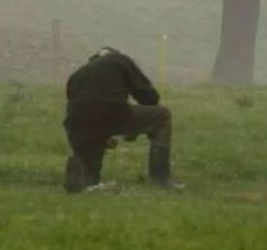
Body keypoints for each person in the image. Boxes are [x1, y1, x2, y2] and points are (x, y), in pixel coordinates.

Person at [63, 47, 183, 193]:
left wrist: (104, 134)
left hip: (76, 124)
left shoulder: (77, 75)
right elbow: (147, 95)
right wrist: (138, 127)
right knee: (162, 116)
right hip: (110, 111)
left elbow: (84, 109)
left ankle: (80, 179)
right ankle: (161, 177)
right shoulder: (119, 60)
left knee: (89, 173)